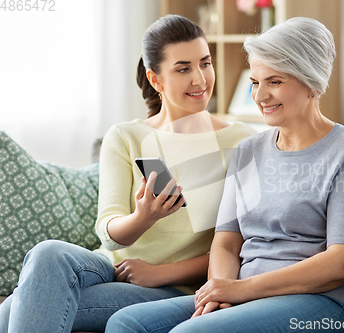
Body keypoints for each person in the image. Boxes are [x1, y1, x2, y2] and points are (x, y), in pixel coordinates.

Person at [104, 17, 344, 333]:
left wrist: (237, 291)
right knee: (127, 322)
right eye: (255, 82)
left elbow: (343, 262)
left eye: (274, 82)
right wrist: (218, 295)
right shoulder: (248, 150)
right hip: (245, 293)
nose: (260, 97)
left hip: (322, 301)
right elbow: (226, 243)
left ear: (311, 82)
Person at [0, 14, 256, 333]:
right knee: (47, 251)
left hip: (174, 286)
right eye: (183, 68)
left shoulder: (240, 141)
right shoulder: (125, 137)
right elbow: (108, 230)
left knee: (13, 306)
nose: (200, 80)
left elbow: (244, 245)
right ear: (155, 79)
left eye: (205, 63)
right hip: (110, 265)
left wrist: (160, 273)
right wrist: (144, 216)